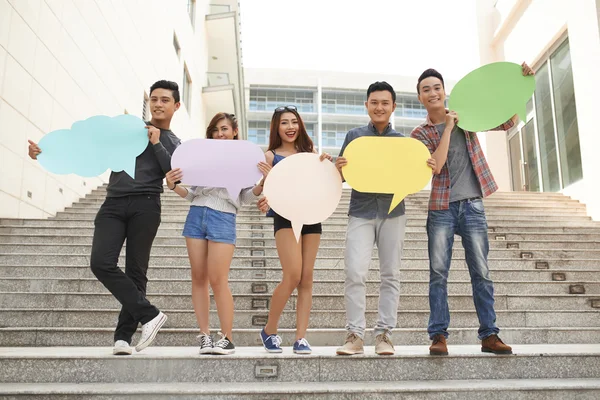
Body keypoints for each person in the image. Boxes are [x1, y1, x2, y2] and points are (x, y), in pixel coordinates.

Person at [28, 80, 182, 355]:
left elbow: (173, 174)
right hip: (113, 202)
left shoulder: (174, 142)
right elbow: (91, 147)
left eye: (165, 100)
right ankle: (151, 315)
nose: (158, 104)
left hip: (146, 206)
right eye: (155, 99)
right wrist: (46, 152)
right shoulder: (129, 131)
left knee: (136, 272)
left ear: (176, 106)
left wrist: (157, 143)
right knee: (100, 262)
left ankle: (123, 337)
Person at [410, 63, 534, 356]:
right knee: (438, 273)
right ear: (420, 97)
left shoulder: (466, 114)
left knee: (482, 271)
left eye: (437, 87)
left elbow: (506, 122)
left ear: (444, 91)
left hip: (473, 206)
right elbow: (436, 166)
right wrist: (450, 127)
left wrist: (520, 84)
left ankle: (489, 335)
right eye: (426, 89)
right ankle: (438, 336)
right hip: (441, 208)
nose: (433, 93)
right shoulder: (420, 133)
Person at [334, 81, 436, 356]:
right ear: (366, 104)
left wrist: (424, 167)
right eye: (374, 102)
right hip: (360, 211)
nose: (379, 107)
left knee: (391, 274)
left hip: (394, 213)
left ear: (393, 107)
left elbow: (415, 176)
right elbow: (342, 176)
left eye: (385, 103)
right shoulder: (354, 137)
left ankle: (384, 335)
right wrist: (336, 167)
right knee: (355, 271)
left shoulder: (404, 143)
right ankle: (354, 335)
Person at [165, 112, 269, 355]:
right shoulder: (202, 157)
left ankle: (227, 337)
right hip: (196, 215)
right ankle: (204, 335)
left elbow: (243, 198)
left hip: (223, 217)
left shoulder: (244, 161)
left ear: (234, 132)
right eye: (215, 130)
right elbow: (192, 195)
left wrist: (261, 184)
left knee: (218, 280)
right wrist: (173, 186)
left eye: (224, 129)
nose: (220, 133)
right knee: (198, 278)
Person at [256, 105, 332, 354]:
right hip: (284, 217)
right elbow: (259, 192)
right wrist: (264, 181)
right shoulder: (270, 156)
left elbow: (322, 183)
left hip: (312, 214)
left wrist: (328, 167)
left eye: (294, 122)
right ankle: (269, 330)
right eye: (284, 123)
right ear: (276, 127)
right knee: (292, 275)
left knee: (307, 277)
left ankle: (301, 338)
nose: (290, 127)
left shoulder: (310, 153)